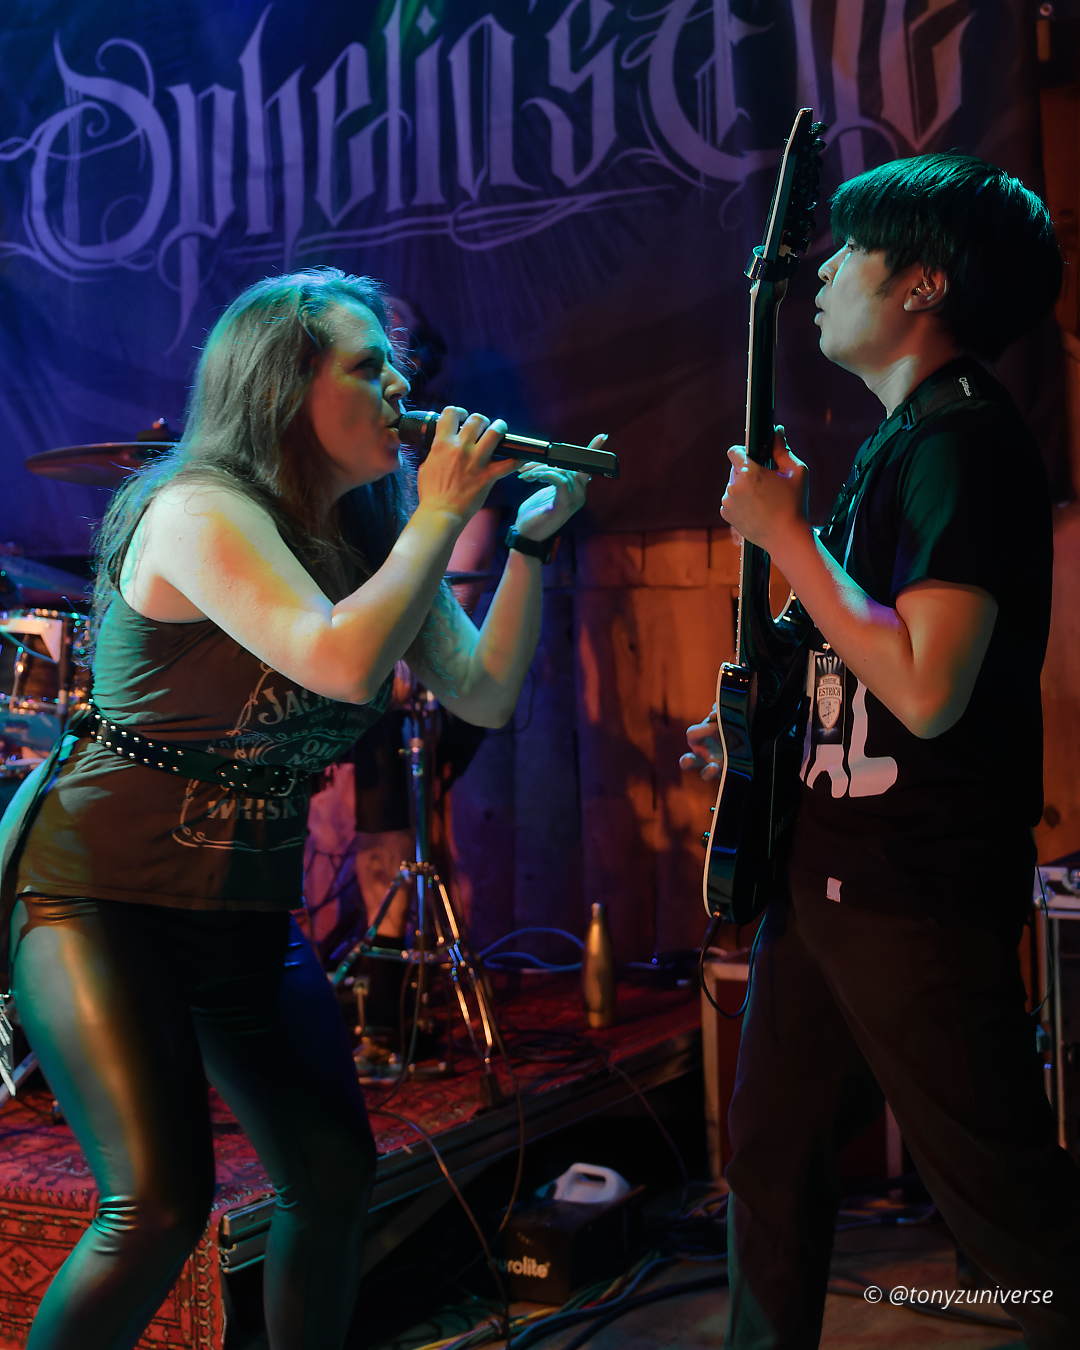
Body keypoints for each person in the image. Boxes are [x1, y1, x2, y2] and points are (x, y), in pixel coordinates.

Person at [0, 266, 595, 1350]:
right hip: (98, 895)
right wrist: (442, 511)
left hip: (241, 904)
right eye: (369, 368)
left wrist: (528, 543)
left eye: (396, 365)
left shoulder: (369, 527)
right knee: (158, 1208)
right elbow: (340, 661)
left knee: (332, 1176)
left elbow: (482, 693)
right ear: (284, 389)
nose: (400, 387)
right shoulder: (199, 509)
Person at [682, 154, 1080, 1347]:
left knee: (1010, 1215)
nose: (823, 273)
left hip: (915, 889)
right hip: (829, 874)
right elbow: (857, 654)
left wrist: (789, 540)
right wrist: (762, 723)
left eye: (853, 248)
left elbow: (925, 686)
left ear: (923, 283)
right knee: (772, 1164)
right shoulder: (900, 441)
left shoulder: (964, 441)